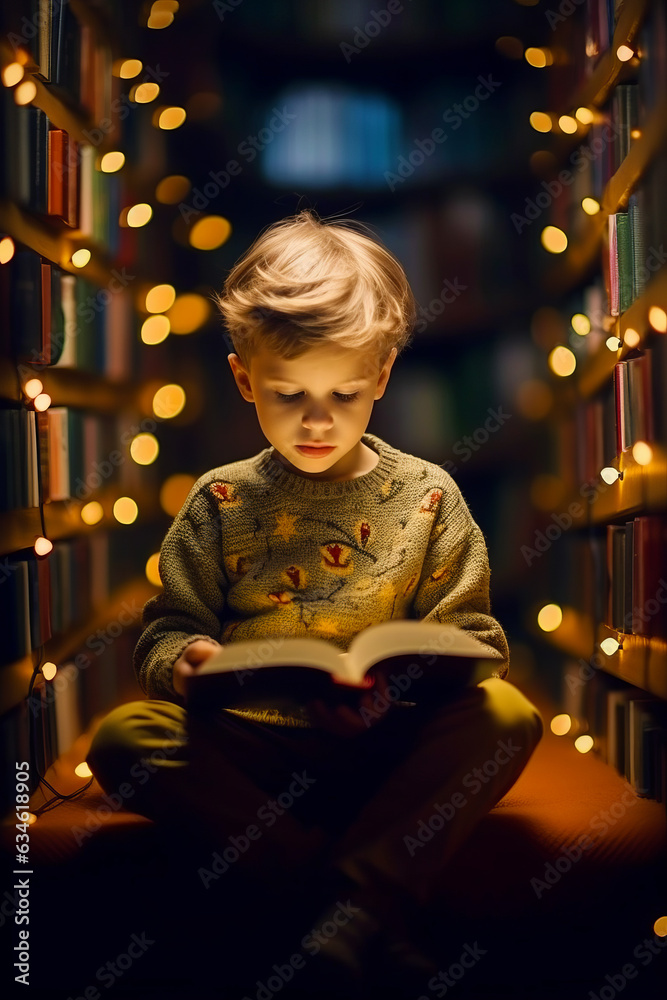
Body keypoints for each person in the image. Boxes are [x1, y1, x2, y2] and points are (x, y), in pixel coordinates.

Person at [87, 209, 543, 997]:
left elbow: (474, 638)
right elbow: (167, 632)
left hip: (387, 748)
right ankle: (349, 905)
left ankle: (325, 906)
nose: (317, 419)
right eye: (287, 393)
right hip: (256, 756)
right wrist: (186, 665)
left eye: (344, 393)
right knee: (126, 738)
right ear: (243, 379)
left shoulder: (428, 497)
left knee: (507, 717)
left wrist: (399, 688)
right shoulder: (222, 499)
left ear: (383, 379)